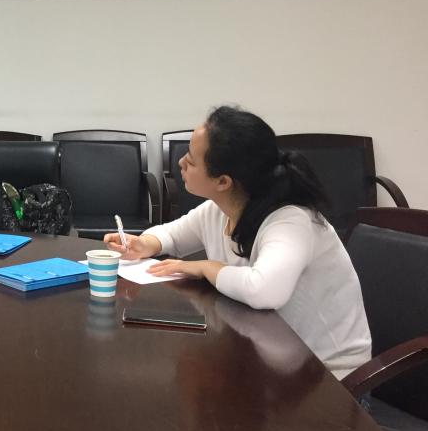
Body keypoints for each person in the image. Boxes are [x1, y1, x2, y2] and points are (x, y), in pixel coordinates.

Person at [104, 106, 371, 379]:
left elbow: (264, 291)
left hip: (329, 378)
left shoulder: (291, 221)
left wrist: (207, 267)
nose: (180, 163)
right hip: (270, 362)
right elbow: (172, 234)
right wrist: (145, 243)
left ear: (223, 181)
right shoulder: (219, 209)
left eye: (191, 161)